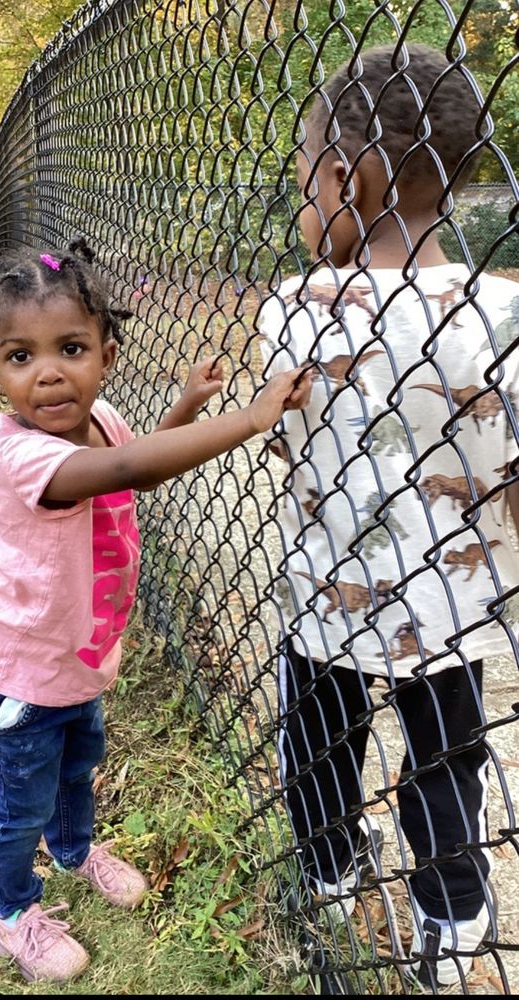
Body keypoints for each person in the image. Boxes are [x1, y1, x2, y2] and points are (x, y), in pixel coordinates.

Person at [0, 239, 310, 983]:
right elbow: (121, 470)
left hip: (77, 662)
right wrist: (248, 419)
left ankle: (77, 849)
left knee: (79, 770)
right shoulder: (24, 456)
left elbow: (137, 455)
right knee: (21, 803)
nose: (48, 372)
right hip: (21, 674)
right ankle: (10, 911)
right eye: (20, 357)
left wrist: (186, 403)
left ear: (107, 357)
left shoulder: (103, 419)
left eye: (71, 348)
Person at [258, 43, 519, 988]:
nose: (300, 205)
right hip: (448, 613)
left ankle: (327, 869)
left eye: (301, 181)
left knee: (319, 740)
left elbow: (284, 445)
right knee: (447, 758)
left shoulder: (292, 310)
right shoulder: (500, 312)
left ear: (343, 176)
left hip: (323, 596)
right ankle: (453, 920)